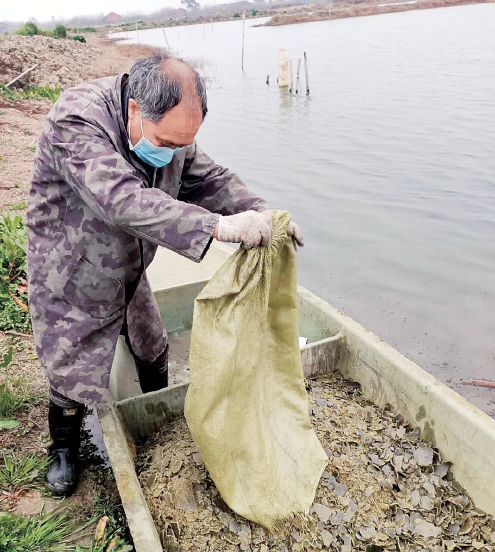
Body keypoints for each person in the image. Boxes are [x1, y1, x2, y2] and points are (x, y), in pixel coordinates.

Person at [27, 55, 303, 498]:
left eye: (183, 144)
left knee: (151, 343)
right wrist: (216, 227)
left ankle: (154, 419)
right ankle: (63, 448)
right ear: (135, 109)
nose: (173, 153)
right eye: (166, 143)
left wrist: (260, 211)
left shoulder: (170, 133)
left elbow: (210, 180)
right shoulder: (76, 120)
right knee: (71, 366)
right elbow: (121, 200)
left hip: (131, 261)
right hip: (74, 265)